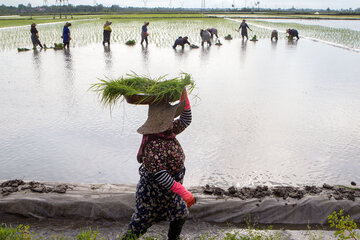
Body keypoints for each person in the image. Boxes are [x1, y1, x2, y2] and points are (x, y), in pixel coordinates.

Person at [122, 90, 195, 240]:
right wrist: (183, 192)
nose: (172, 122)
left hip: (170, 193)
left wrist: (183, 93)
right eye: (169, 118)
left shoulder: (169, 130)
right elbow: (160, 175)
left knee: (180, 213)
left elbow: (186, 120)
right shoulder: (153, 145)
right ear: (161, 123)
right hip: (152, 195)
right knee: (140, 223)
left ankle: (173, 238)